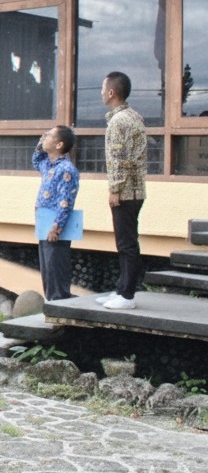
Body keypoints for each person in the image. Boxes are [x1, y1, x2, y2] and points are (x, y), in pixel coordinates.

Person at [99, 71, 147, 310]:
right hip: (137, 191)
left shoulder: (118, 122)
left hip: (126, 192)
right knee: (128, 241)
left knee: (126, 243)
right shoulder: (134, 116)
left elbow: (119, 158)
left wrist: (115, 189)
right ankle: (121, 289)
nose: (100, 93)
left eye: (102, 88)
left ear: (111, 92)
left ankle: (127, 295)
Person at [33, 125, 80, 302]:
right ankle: (53, 302)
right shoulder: (48, 165)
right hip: (44, 224)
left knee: (56, 267)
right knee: (47, 269)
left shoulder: (66, 169)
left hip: (55, 228)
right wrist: (41, 141)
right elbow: (36, 160)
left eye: (49, 136)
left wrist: (57, 227)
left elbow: (66, 201)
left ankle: (59, 303)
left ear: (59, 144)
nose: (45, 137)